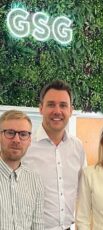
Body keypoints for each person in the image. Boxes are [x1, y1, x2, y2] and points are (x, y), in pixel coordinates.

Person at [23, 80, 86, 230]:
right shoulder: (25, 146)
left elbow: (83, 191)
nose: (57, 111)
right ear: (41, 108)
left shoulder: (77, 147)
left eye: (63, 105)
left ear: (71, 110)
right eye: (51, 104)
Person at [0, 110, 44, 229]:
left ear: (29, 140)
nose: (16, 140)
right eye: (10, 133)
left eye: (23, 134)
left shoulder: (35, 181)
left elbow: (37, 226)